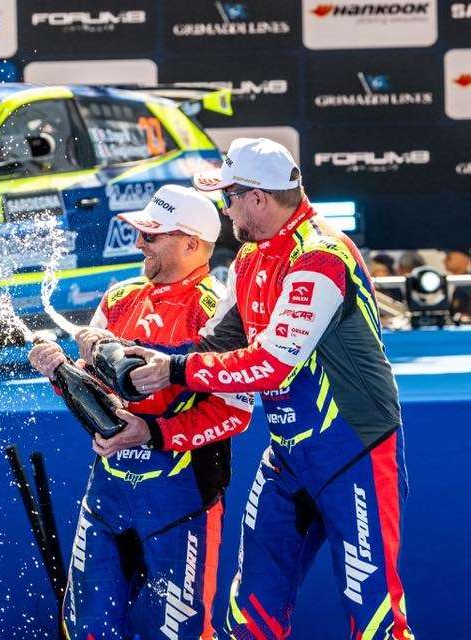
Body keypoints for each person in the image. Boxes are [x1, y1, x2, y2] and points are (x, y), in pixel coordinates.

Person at [126, 138, 413, 639]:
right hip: (289, 456)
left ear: (257, 198)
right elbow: (213, 343)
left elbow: (271, 366)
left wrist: (175, 371)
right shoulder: (249, 258)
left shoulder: (321, 254)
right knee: (250, 613)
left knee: (375, 617)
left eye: (229, 197)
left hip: (355, 450)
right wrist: (129, 355)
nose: (225, 209)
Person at [28, 184, 254, 640]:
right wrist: (59, 372)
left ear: (191, 243)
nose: (138, 244)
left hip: (183, 502)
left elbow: (235, 412)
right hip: (108, 495)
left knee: (179, 634)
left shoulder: (218, 310)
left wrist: (152, 433)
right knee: (87, 629)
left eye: (151, 235)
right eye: (140, 232)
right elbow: (94, 396)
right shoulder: (118, 297)